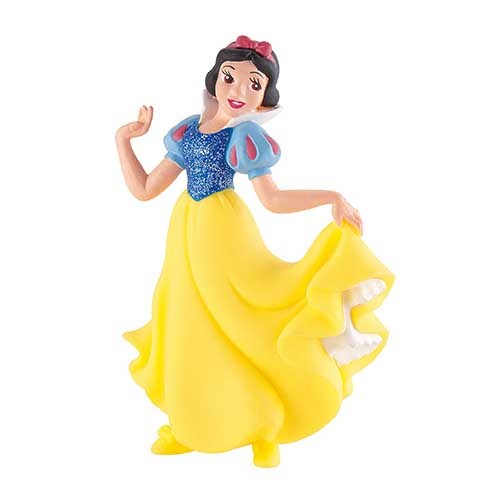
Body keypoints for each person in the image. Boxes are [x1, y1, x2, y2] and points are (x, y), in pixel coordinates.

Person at [115, 35, 394, 468]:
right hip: (186, 235)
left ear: (263, 99)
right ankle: (192, 425)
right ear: (215, 80)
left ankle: (265, 424)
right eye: (230, 77)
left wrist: (331, 196)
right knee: (188, 325)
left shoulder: (244, 135)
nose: (239, 90)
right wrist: (123, 140)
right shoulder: (188, 130)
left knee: (245, 320)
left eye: (254, 84)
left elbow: (273, 199)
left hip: (225, 235)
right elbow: (146, 189)